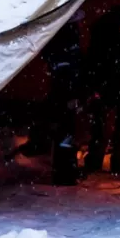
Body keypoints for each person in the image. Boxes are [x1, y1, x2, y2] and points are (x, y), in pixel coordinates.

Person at [85, 5, 120, 175]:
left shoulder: (104, 39)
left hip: (113, 90)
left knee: (107, 129)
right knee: (110, 128)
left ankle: (101, 163)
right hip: (114, 90)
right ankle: (113, 164)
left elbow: (94, 64)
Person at [41, 14, 86, 186]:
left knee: (64, 132)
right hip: (65, 91)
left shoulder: (58, 39)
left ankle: (64, 171)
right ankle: (65, 173)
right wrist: (73, 93)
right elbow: (71, 68)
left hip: (61, 91)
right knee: (66, 133)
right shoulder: (68, 40)